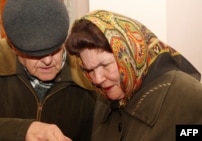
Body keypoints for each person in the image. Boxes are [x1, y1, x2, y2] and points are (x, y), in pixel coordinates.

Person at [0, 0, 96, 140]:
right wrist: (23, 131)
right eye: (36, 54)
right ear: (13, 47)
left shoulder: (90, 74)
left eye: (55, 50)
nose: (47, 61)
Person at [65, 9, 202, 141]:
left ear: (131, 54)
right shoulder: (104, 101)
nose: (97, 79)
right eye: (89, 70)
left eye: (105, 65)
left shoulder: (188, 98)